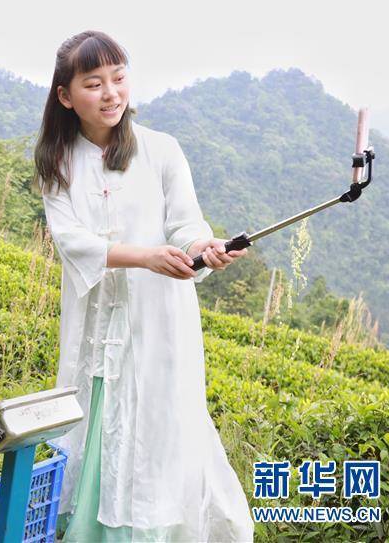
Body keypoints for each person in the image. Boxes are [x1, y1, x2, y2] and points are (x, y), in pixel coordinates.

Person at [34, 31, 254, 542]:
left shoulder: (162, 150)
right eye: (94, 83)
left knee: (156, 419)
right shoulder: (57, 164)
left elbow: (186, 226)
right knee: (96, 417)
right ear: (66, 96)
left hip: (159, 321)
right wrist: (147, 257)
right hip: (96, 324)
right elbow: (75, 244)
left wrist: (206, 248)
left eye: (118, 77)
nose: (111, 93)